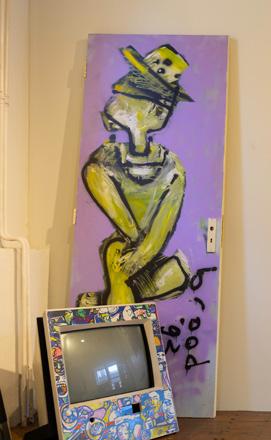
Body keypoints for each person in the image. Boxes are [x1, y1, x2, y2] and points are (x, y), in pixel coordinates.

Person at [77, 44, 192, 306]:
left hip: (148, 260)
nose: (162, 109)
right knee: (117, 253)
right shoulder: (102, 163)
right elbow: (132, 231)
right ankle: (115, 299)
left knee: (170, 272)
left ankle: (104, 302)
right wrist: (134, 256)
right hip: (127, 252)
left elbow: (159, 232)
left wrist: (138, 259)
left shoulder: (172, 169)